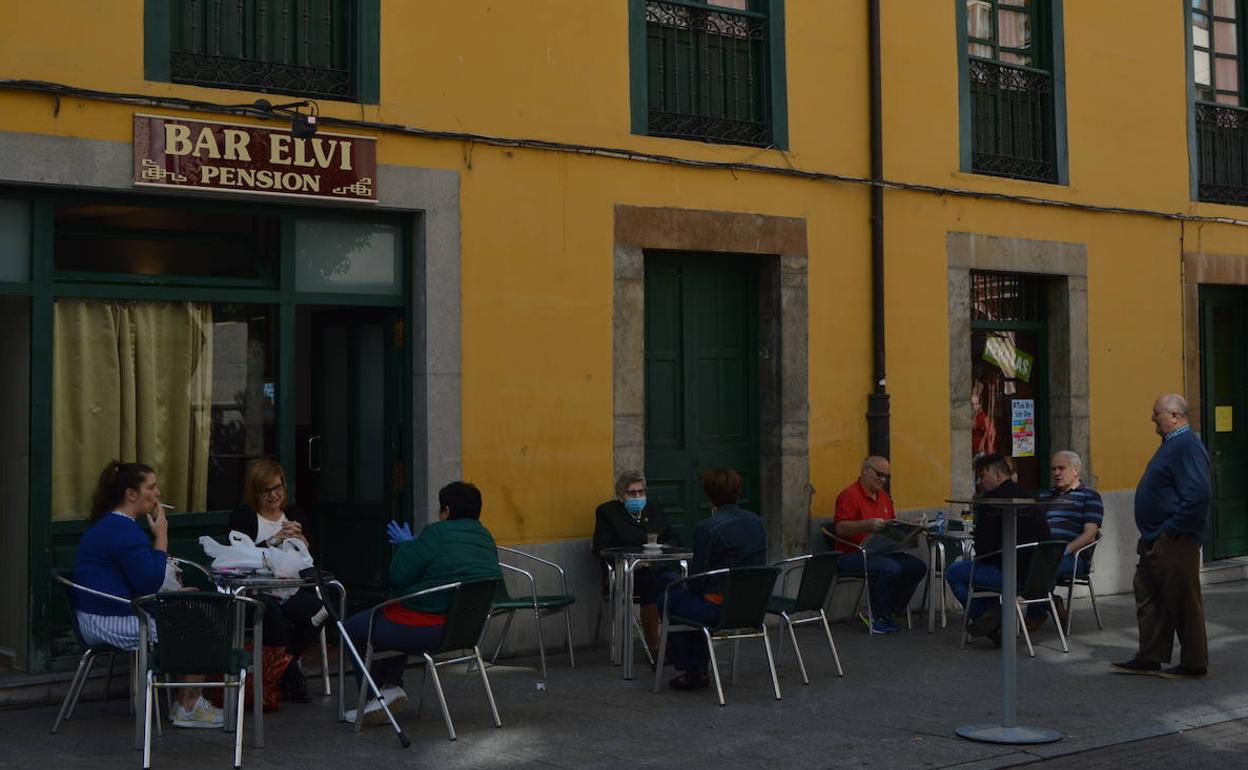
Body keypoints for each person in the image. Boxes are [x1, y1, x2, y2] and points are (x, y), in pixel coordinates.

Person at [72, 461, 223, 728]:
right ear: (131, 494)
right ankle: (188, 707)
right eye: (151, 487)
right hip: (110, 620)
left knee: (186, 611)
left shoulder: (109, 525)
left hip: (94, 615)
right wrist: (161, 536)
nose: (158, 493)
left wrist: (172, 594)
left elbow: (135, 579)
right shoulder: (124, 530)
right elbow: (149, 582)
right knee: (198, 625)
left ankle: (184, 701)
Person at [342, 481, 502, 724]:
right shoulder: (486, 537)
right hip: (464, 632)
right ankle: (391, 686)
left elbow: (399, 576)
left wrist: (407, 546)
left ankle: (376, 699)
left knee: (352, 628)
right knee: (393, 613)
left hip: (423, 630)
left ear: (446, 511)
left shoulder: (435, 533)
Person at [1113, 395, 1211, 679]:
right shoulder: (1173, 444)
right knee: (1148, 592)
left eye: (1156, 413)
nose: (1152, 418)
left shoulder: (1186, 445)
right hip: (1158, 536)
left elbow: (1198, 494)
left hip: (1174, 540)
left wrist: (1173, 530)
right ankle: (1150, 656)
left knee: (1183, 600)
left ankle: (1194, 664)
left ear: (1174, 416)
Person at [227, 459, 327, 703]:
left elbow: (313, 560)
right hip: (256, 591)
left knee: (322, 609)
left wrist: (303, 543)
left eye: (278, 488)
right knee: (270, 613)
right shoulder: (244, 517)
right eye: (266, 490)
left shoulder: (295, 514)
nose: (274, 495)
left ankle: (284, 666)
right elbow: (238, 557)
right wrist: (275, 539)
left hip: (291, 589)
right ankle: (292, 674)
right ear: (255, 492)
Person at [659, 469, 765, 691]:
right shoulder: (756, 521)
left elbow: (698, 579)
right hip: (751, 606)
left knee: (670, 598)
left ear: (708, 496)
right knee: (686, 599)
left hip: (718, 607)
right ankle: (693, 664)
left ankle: (692, 668)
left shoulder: (708, 528)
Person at [945, 453, 1050, 644]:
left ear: (999, 475)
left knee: (954, 572)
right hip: (1037, 578)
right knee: (974, 571)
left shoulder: (992, 501)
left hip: (1010, 575)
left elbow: (984, 549)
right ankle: (993, 617)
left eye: (982, 476)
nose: (979, 482)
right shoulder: (1029, 498)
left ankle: (989, 620)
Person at [828, 456, 925, 634]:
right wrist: (866, 524)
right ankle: (875, 613)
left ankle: (889, 611)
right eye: (879, 474)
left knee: (917, 567)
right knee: (890, 568)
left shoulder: (884, 497)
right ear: (865, 471)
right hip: (851, 554)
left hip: (881, 552)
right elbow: (840, 528)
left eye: (886, 476)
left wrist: (908, 526)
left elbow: (890, 526)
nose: (883, 480)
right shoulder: (849, 495)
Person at [591, 470, 676, 656]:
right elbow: (601, 548)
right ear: (621, 495)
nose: (638, 496)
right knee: (654, 586)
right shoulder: (608, 513)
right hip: (627, 573)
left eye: (641, 492)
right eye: (632, 493)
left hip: (657, 568)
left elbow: (672, 538)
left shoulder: (654, 510)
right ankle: (654, 648)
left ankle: (677, 643)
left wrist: (664, 547)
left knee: (676, 583)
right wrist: (632, 561)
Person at [1029, 450, 1103, 629]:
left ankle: (1036, 614)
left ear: (1076, 470)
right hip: (1042, 550)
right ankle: (1051, 603)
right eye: (1053, 469)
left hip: (1073, 555)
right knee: (1020, 565)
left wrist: (1065, 550)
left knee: (1043, 568)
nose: (1056, 473)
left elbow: (1090, 534)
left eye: (1061, 468)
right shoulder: (1045, 496)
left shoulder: (1090, 496)